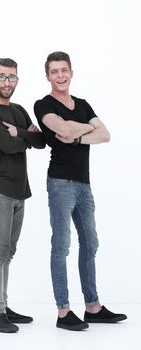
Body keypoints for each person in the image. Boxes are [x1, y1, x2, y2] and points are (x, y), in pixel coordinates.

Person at [34, 51, 127, 331]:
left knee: (90, 242)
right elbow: (61, 127)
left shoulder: (84, 104)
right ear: (48, 76)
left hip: (84, 184)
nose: (60, 76)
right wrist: (84, 129)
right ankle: (63, 312)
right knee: (61, 245)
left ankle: (93, 307)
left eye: (64, 70)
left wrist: (77, 132)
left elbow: (106, 135)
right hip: (60, 182)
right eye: (54, 71)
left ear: (71, 73)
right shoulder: (43, 104)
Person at [0, 58, 46, 333]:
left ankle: (3, 305)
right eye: (2, 77)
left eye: (12, 77)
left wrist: (20, 133)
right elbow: (6, 145)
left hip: (20, 190)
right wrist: (23, 138)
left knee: (10, 251)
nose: (7, 82)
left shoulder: (18, 110)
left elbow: (41, 141)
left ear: (17, 80)